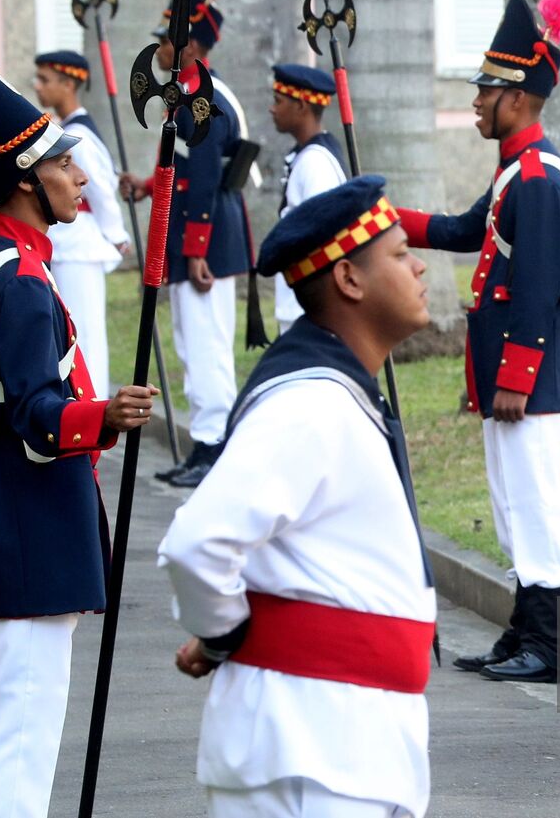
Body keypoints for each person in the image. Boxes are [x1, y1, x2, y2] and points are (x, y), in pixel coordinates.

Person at [159, 175, 436, 818]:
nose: (418, 264)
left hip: (341, 744)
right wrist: (225, 635)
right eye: (398, 254)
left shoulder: (336, 390)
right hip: (309, 749)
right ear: (349, 280)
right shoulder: (310, 402)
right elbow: (199, 543)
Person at [0, 53, 156, 818]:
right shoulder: (24, 285)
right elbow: (36, 416)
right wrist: (107, 415)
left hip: (8, 519)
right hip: (28, 525)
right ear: (28, 179)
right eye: (66, 165)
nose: (83, 179)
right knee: (19, 734)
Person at [397, 0, 560, 683]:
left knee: (538, 502)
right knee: (513, 506)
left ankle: (551, 642)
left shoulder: (537, 179)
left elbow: (538, 290)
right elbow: (457, 230)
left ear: (519, 97)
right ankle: (526, 627)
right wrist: (385, 215)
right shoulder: (516, 172)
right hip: (511, 377)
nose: (477, 100)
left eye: (486, 90)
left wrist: (515, 378)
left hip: (528, 379)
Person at [121, 0, 254, 488]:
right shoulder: (188, 94)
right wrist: (147, 184)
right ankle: (205, 441)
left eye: (167, 38)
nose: (159, 47)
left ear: (191, 45)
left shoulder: (203, 98)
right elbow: (179, 175)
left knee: (205, 344)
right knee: (190, 342)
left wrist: (195, 249)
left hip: (204, 242)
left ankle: (213, 445)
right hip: (188, 240)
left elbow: (200, 183)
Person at [32, 50, 130, 395]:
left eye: (45, 79)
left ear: (68, 83)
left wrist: (116, 235)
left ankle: (91, 403)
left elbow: (100, 187)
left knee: (83, 333)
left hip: (80, 244)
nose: (37, 86)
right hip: (69, 243)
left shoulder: (79, 136)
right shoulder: (70, 129)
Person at [266, 62, 346, 330]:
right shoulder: (306, 156)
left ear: (301, 106)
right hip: (301, 305)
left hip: (311, 308)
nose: (272, 108)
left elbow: (321, 238)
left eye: (279, 101)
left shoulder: (315, 163)